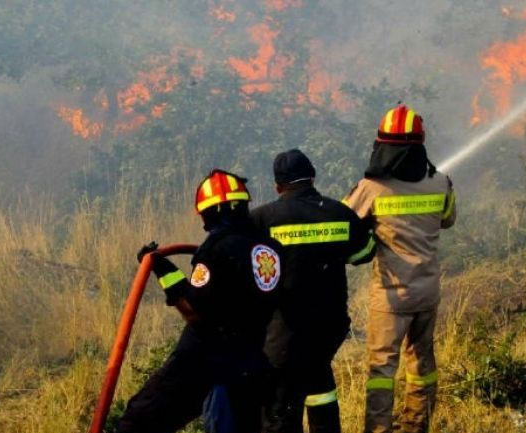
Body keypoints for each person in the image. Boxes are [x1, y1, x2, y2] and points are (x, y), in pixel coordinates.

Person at [115, 169, 283, 433]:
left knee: (138, 421)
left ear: (212, 212)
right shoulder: (270, 249)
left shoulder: (217, 248)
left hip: (203, 360)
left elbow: (195, 311)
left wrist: (162, 268)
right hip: (250, 361)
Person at [342, 105, 456, 433]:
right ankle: (416, 426)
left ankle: (379, 429)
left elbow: (342, 222)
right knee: (422, 364)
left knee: (382, 371)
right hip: (427, 293)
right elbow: (448, 220)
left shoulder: (371, 188)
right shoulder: (440, 182)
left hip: (391, 298)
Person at [250, 149, 376, 433]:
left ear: (278, 186)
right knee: (319, 381)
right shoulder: (339, 212)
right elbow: (365, 253)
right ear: (312, 177)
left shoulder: (262, 219)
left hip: (284, 330)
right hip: (329, 325)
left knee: (280, 401)